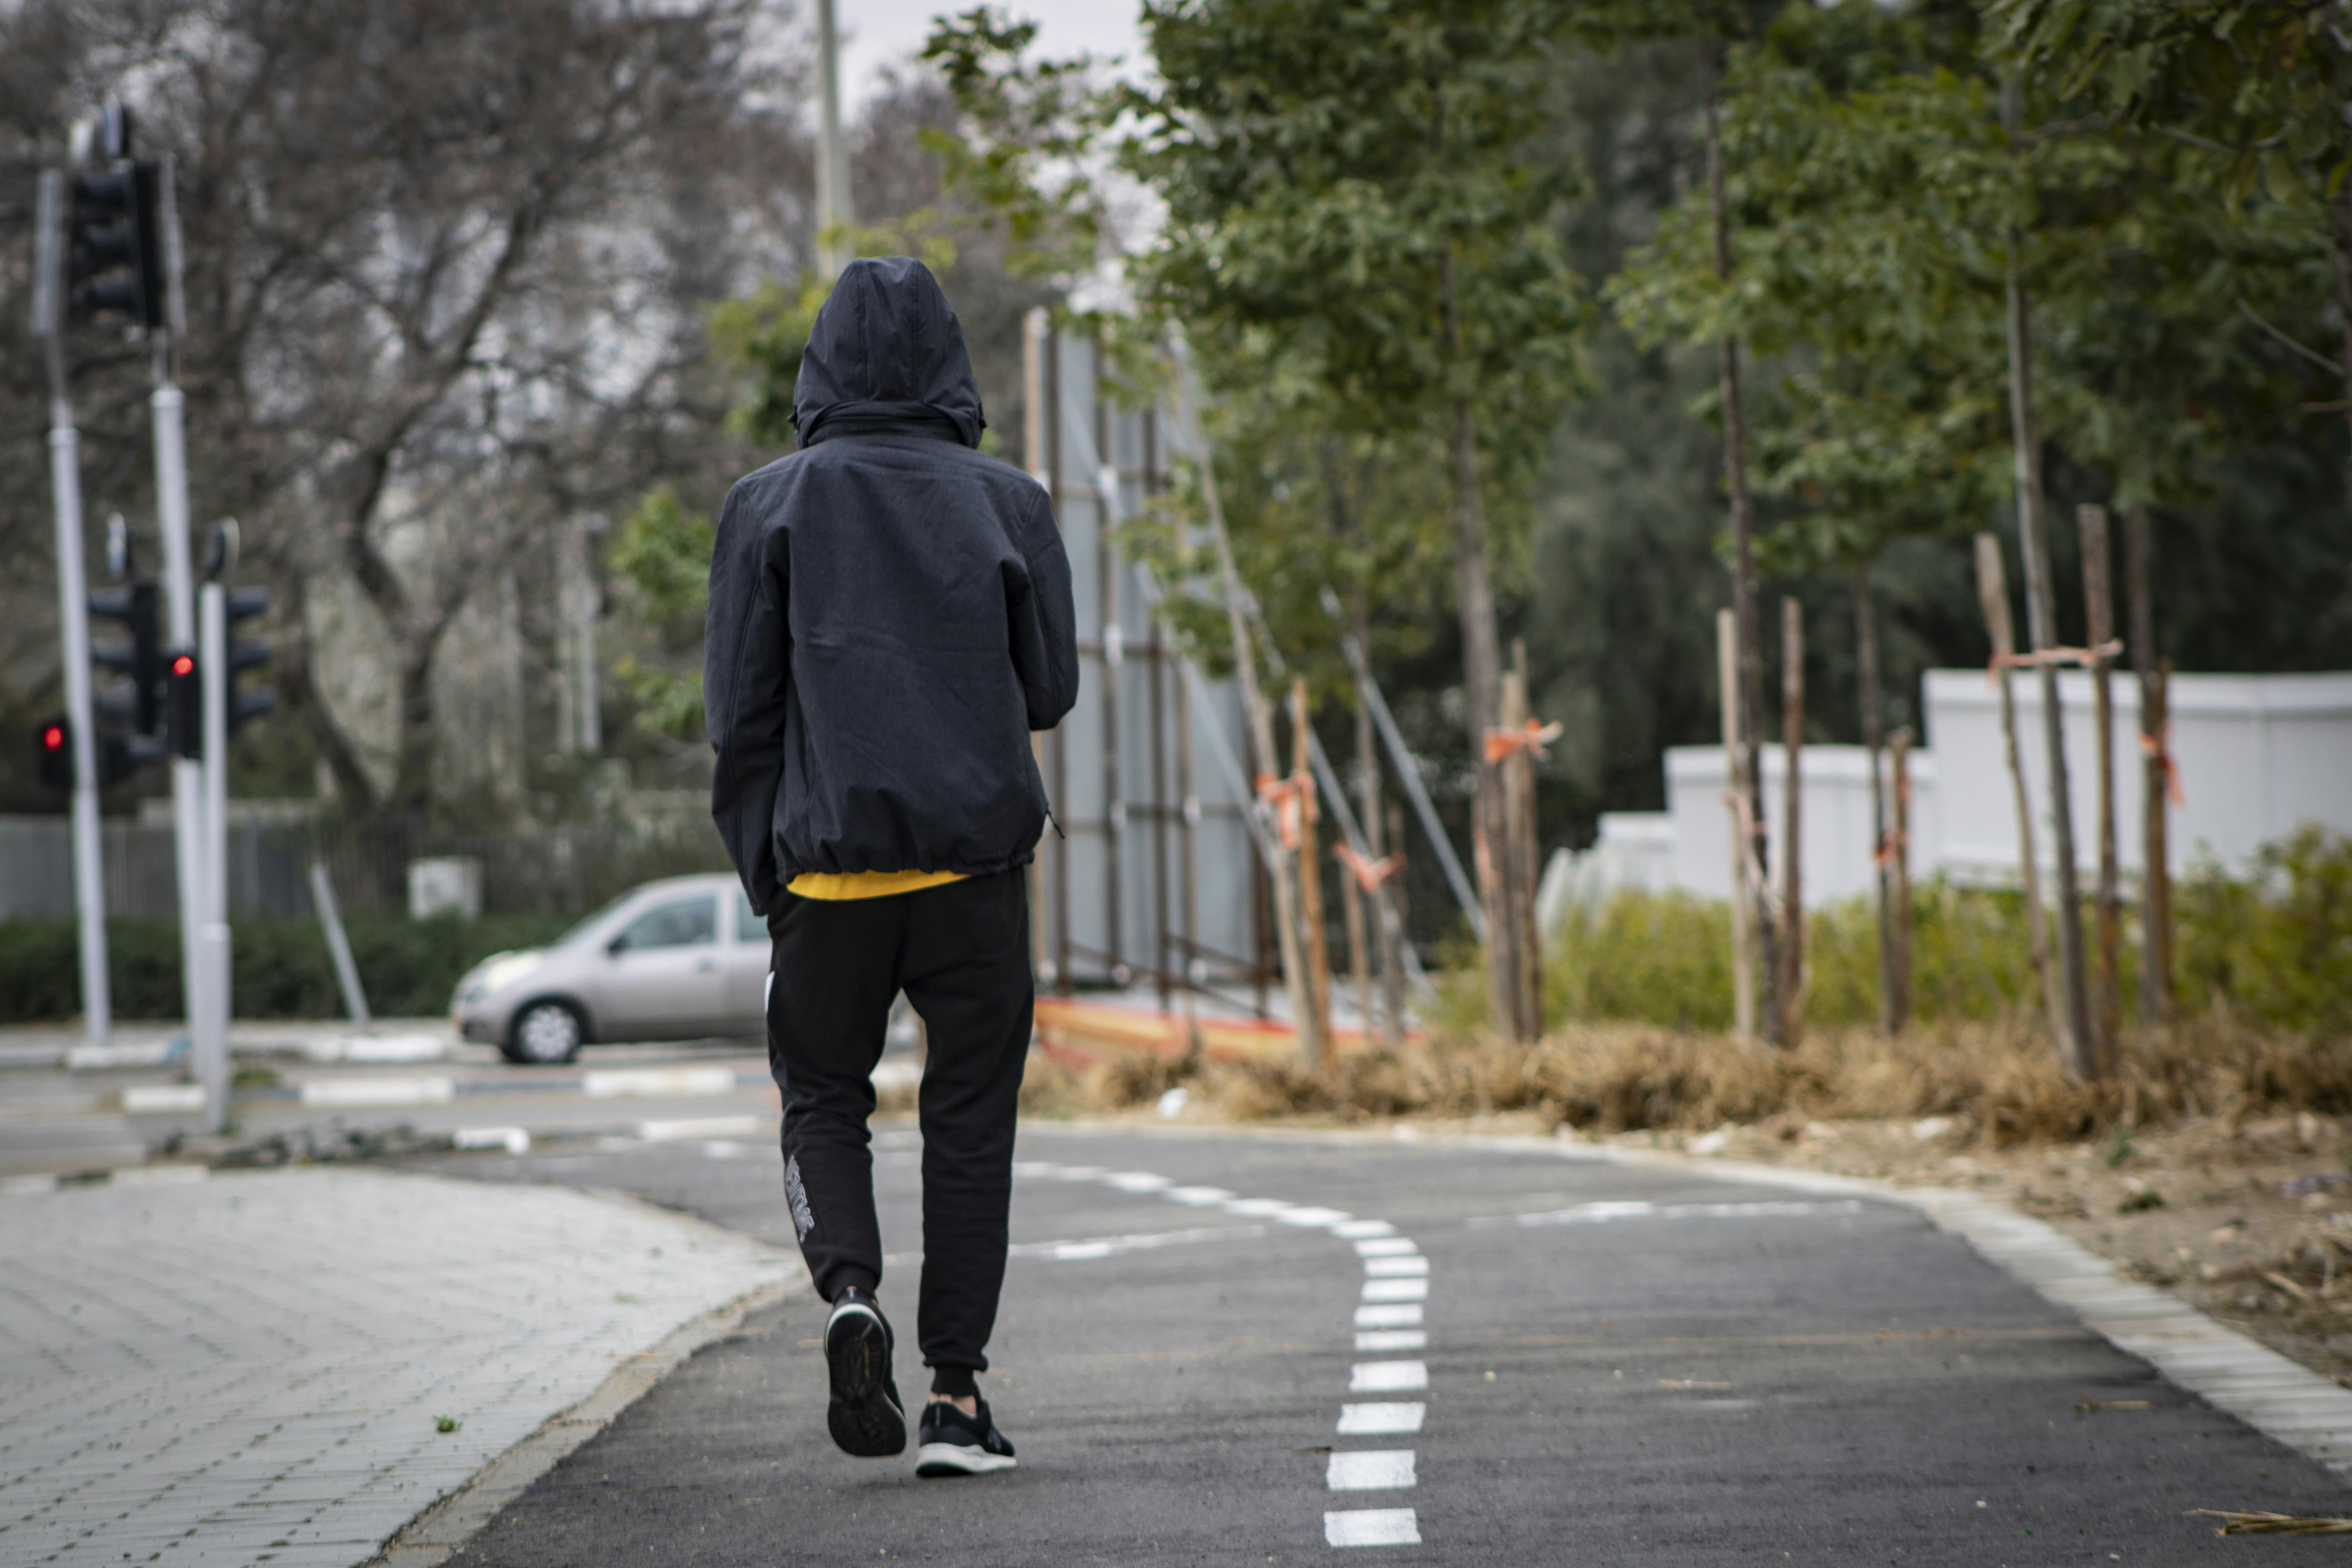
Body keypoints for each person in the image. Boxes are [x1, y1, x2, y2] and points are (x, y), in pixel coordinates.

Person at [704, 257, 1077, 1476]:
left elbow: (737, 714)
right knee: (969, 1126)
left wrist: (770, 871)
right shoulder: (1008, 502)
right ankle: (957, 1402)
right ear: (951, 366)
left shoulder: (768, 506)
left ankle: (849, 1292)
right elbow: (1053, 689)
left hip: (829, 880)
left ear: (818, 367)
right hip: (974, 880)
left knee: (823, 1097)